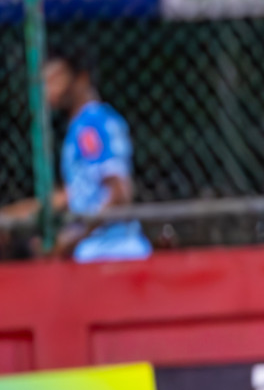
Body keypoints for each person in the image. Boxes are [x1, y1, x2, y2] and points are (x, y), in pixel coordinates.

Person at [0, 50, 152, 262]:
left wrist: (70, 240)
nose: (48, 89)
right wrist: (10, 217)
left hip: (112, 252)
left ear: (81, 79)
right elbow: (72, 195)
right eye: (45, 81)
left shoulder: (93, 124)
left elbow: (119, 194)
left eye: (56, 79)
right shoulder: (79, 128)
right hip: (95, 254)